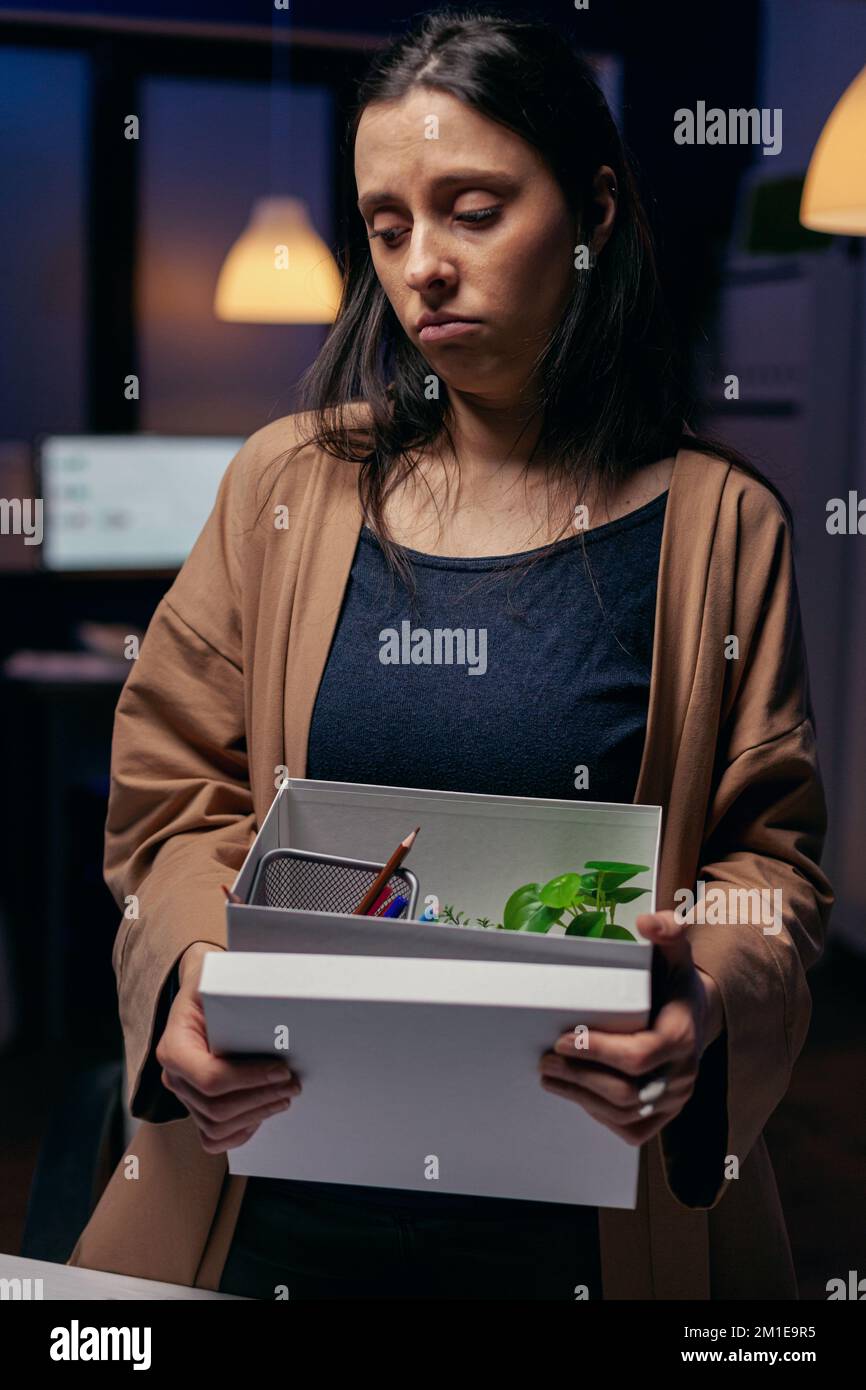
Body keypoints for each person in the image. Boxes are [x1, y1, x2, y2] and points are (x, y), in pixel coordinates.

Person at [68, 9, 832, 1300]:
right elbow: (167, 804)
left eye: (471, 209)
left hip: (584, 1217)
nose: (420, 265)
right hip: (266, 1199)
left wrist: (697, 997)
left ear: (590, 212)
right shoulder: (285, 484)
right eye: (386, 225)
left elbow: (771, 870)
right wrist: (194, 968)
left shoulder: (720, 524)